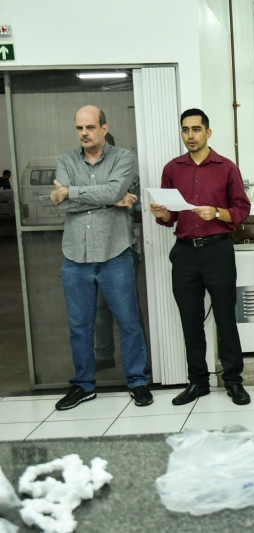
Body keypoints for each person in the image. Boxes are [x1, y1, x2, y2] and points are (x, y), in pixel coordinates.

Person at [49, 105, 151, 410]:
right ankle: (84, 385)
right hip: (75, 257)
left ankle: (138, 381)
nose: (84, 133)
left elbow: (110, 190)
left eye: (90, 127)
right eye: (79, 128)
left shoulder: (122, 158)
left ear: (103, 128)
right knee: (80, 326)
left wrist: (72, 193)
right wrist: (109, 199)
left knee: (128, 322)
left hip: (114, 253)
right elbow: (65, 206)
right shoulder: (65, 160)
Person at [151, 108, 252, 406]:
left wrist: (216, 212)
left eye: (196, 129)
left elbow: (241, 209)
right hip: (184, 254)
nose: (190, 135)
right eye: (185, 130)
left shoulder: (226, 167)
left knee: (225, 319)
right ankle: (198, 382)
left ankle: (233, 381)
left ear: (208, 132)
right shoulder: (172, 168)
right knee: (190, 321)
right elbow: (170, 217)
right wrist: (162, 213)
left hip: (218, 250)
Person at [94, 132, 147, 372]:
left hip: (123, 250)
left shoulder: (130, 179)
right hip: (92, 252)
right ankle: (104, 355)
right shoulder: (86, 178)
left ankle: (140, 360)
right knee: (99, 307)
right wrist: (110, 201)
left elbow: (137, 213)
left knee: (128, 308)